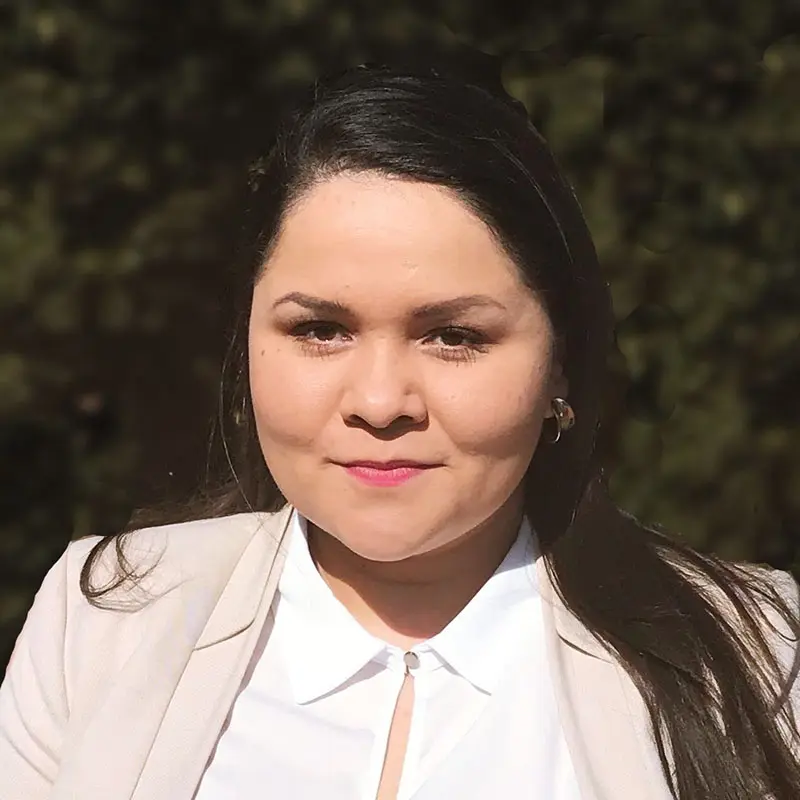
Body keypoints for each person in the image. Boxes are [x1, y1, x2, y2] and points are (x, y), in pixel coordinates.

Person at [1, 59, 798, 800]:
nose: (381, 402)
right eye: (320, 329)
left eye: (454, 335)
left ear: (561, 362)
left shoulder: (758, 655)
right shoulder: (106, 619)